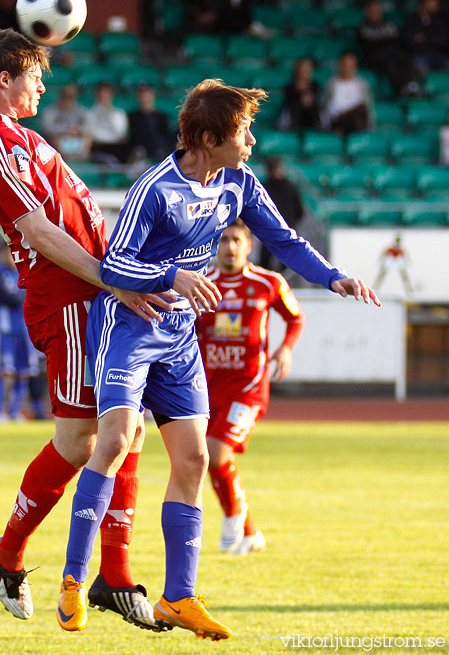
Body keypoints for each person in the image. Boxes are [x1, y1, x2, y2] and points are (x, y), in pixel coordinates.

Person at [58, 79, 380, 640]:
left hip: (179, 336)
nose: (252, 140)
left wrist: (334, 276)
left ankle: (178, 596)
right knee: (111, 442)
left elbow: (283, 239)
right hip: (130, 327)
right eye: (242, 132)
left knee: (193, 462)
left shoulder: (238, 181)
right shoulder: (154, 189)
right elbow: (112, 268)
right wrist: (173, 275)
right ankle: (73, 578)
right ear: (208, 139)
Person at [0, 28, 171, 630]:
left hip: (94, 295)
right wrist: (112, 281)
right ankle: (9, 553)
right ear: (5, 79)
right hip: (70, 302)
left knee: (127, 430)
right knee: (83, 441)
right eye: (35, 73)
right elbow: (38, 231)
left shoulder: (23, 138)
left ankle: (114, 573)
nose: (43, 83)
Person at [196, 220, 304, 554]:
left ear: (249, 245)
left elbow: (295, 318)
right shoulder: (200, 284)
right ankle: (249, 530)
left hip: (249, 387)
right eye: (224, 239)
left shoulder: (268, 282)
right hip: (207, 386)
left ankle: (233, 517)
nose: (230, 246)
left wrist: (285, 348)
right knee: (207, 458)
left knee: (215, 453)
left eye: (236, 240)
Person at [0, 245, 40, 422]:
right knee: (4, 372)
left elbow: (35, 294)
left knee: (24, 371)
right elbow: (3, 297)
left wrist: (20, 296)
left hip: (25, 330)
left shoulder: (28, 271)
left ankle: (14, 411)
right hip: (5, 330)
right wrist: (22, 295)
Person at [356, 0, 422, 97]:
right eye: (372, 11)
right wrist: (385, 43)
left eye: (378, 11)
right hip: (375, 59)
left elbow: (398, 42)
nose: (376, 13)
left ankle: (411, 84)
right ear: (367, 12)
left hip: (393, 54)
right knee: (385, 55)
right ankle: (401, 87)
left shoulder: (389, 25)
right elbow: (367, 47)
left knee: (402, 54)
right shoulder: (362, 28)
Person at [258, 156, 304, 272]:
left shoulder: (263, 187)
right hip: (285, 231)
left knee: (266, 264)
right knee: (286, 265)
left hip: (268, 231)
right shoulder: (290, 187)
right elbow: (299, 211)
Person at [322, 51, 374, 136]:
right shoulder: (331, 84)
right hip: (337, 118)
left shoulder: (362, 84)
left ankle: (344, 131)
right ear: (340, 65)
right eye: (345, 65)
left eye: (350, 66)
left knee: (360, 111)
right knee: (359, 112)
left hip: (356, 119)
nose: (347, 69)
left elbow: (369, 107)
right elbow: (325, 107)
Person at [39, 84, 92, 161]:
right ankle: (61, 159)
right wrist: (65, 131)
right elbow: (47, 127)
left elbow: (88, 125)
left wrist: (77, 130)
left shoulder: (80, 110)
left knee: (87, 138)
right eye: (65, 96)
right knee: (54, 138)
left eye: (70, 97)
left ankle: (80, 160)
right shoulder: (50, 110)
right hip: (59, 138)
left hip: (76, 137)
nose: (67, 100)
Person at [401, 0, 449, 74]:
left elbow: (443, 40)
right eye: (432, 1)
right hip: (418, 55)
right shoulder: (411, 19)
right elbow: (410, 42)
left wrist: (425, 37)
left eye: (436, 1)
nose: (435, 3)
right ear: (423, 3)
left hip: (437, 54)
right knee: (418, 63)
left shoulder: (439, 20)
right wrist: (432, 39)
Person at [127, 83, 175, 163]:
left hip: (159, 150)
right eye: (142, 95)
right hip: (139, 149)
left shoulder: (162, 117)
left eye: (147, 95)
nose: (145, 98)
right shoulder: (132, 117)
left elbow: (166, 138)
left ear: (153, 96)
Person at [86, 82, 130, 164]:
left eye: (106, 94)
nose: (104, 97)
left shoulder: (119, 113)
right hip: (99, 146)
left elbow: (121, 133)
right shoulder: (90, 114)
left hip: (117, 146)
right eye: (101, 95)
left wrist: (109, 115)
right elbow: (92, 133)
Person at [278, 57, 323, 130]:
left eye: (307, 69)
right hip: (295, 116)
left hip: (311, 116)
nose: (304, 72)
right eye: (302, 69)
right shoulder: (289, 87)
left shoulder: (316, 86)